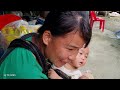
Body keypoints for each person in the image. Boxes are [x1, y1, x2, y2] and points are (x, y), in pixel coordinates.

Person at [0, 11, 92, 79]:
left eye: (78, 50)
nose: (73, 57)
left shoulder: (32, 38)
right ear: (47, 37)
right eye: (70, 49)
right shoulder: (28, 73)